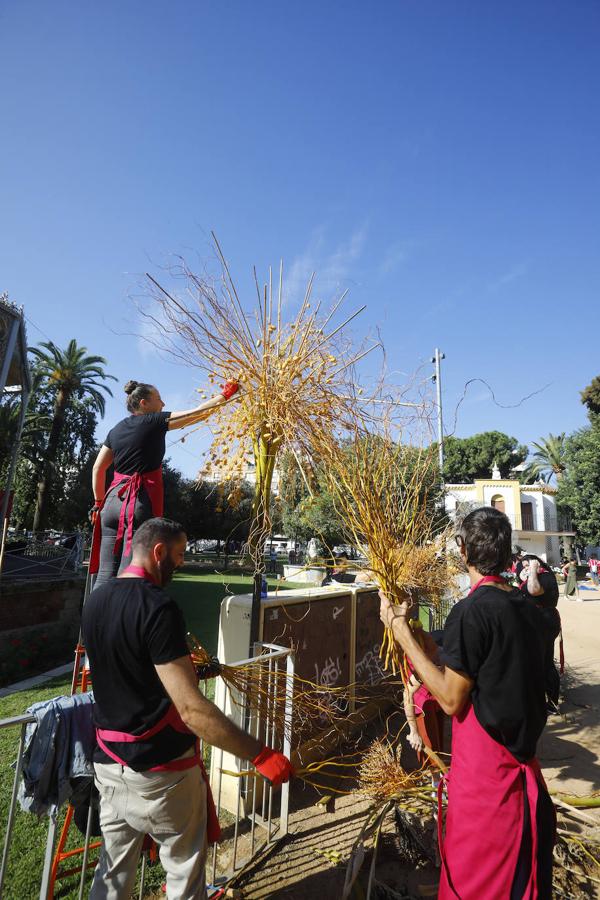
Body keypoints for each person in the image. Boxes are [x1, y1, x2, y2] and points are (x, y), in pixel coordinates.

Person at [82, 517, 292, 899]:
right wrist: (259, 753)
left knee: (112, 875)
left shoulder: (96, 599)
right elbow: (191, 711)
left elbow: (127, 665)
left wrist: (181, 670)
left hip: (109, 768)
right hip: (161, 776)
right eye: (178, 556)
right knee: (183, 875)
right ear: (158, 551)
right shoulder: (158, 607)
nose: (180, 564)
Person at [380, 507, 555, 899]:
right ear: (509, 554)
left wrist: (399, 633)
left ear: (463, 552)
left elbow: (451, 698)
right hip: (523, 777)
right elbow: (481, 667)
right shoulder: (528, 609)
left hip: (491, 796)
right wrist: (420, 637)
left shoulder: (471, 611)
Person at [89, 379, 239, 587]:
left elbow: (98, 468)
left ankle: (94, 618)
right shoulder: (154, 421)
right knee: (130, 572)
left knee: (105, 573)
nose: (163, 404)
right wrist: (226, 394)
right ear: (144, 403)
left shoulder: (116, 429)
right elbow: (197, 414)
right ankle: (127, 617)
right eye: (158, 399)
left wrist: (98, 503)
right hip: (137, 502)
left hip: (111, 503)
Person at [516, 555, 562, 712]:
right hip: (533, 624)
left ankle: (552, 702)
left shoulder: (546, 576)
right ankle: (537, 699)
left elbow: (534, 590)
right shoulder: (527, 578)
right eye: (524, 566)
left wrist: (534, 570)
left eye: (529, 564)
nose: (526, 568)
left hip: (545, 623)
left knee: (545, 662)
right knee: (534, 661)